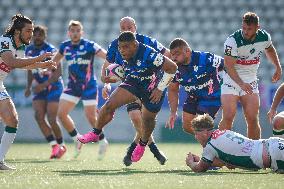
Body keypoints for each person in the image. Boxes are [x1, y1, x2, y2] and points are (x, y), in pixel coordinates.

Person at [78, 31, 177, 163]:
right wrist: (109, 79)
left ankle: (142, 145)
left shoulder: (150, 54)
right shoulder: (119, 53)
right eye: (120, 47)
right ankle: (96, 133)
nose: (122, 50)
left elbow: (173, 67)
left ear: (135, 45)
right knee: (109, 105)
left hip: (153, 87)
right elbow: (110, 71)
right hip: (134, 82)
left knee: (148, 120)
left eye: (126, 47)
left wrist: (160, 89)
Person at [101, 16, 169, 166]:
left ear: (135, 28)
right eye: (123, 27)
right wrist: (106, 84)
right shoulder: (115, 46)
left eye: (129, 27)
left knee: (145, 119)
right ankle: (154, 149)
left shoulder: (147, 41)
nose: (126, 29)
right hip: (131, 85)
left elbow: (168, 55)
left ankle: (133, 149)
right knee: (135, 116)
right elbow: (107, 68)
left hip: (150, 85)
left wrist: (164, 78)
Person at [0, 14, 57, 170]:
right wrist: (39, 58)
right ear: (17, 31)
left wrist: (42, 64)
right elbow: (11, 62)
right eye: (28, 30)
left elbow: (22, 65)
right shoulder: (5, 41)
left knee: (12, 120)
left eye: (32, 30)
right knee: (11, 119)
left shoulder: (21, 47)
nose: (31, 34)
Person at [219, 12, 282, 139]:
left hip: (250, 79)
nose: (246, 32)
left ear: (257, 28)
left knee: (252, 117)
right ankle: (220, 151)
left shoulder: (264, 37)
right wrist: (241, 84)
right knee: (228, 116)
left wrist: (277, 66)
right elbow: (228, 66)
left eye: (249, 29)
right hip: (231, 79)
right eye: (244, 28)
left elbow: (270, 49)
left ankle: (254, 153)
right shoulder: (232, 41)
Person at [52, 20, 108, 159]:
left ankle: (102, 140)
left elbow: (107, 56)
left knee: (90, 116)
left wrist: (108, 74)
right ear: (69, 32)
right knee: (61, 114)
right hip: (72, 86)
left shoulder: (89, 45)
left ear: (81, 32)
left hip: (89, 86)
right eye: (73, 31)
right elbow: (54, 61)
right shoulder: (65, 46)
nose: (75, 33)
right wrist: (45, 68)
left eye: (78, 31)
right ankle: (77, 139)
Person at [185, 114, 284, 173]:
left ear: (205, 132)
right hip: (273, 144)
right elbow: (227, 161)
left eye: (196, 133)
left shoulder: (210, 145)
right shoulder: (223, 132)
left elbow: (200, 169)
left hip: (275, 156)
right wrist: (201, 159)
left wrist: (191, 163)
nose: (195, 137)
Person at [24, 25, 65, 159]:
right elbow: (30, 70)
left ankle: (62, 145)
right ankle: (54, 146)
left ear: (44, 36)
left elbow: (58, 72)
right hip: (39, 88)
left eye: (40, 34)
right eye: (35, 34)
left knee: (52, 119)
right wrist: (29, 86)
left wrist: (43, 85)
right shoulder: (29, 50)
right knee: (38, 116)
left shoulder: (51, 50)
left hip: (53, 86)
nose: (37, 37)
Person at [166, 38, 223, 135]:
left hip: (211, 96)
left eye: (177, 53)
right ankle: (216, 139)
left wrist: (228, 91)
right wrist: (173, 112)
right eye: (172, 54)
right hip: (193, 97)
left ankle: (214, 143)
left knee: (200, 126)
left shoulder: (205, 58)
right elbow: (172, 90)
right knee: (187, 127)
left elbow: (228, 65)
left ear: (187, 51)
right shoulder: (174, 68)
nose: (174, 57)